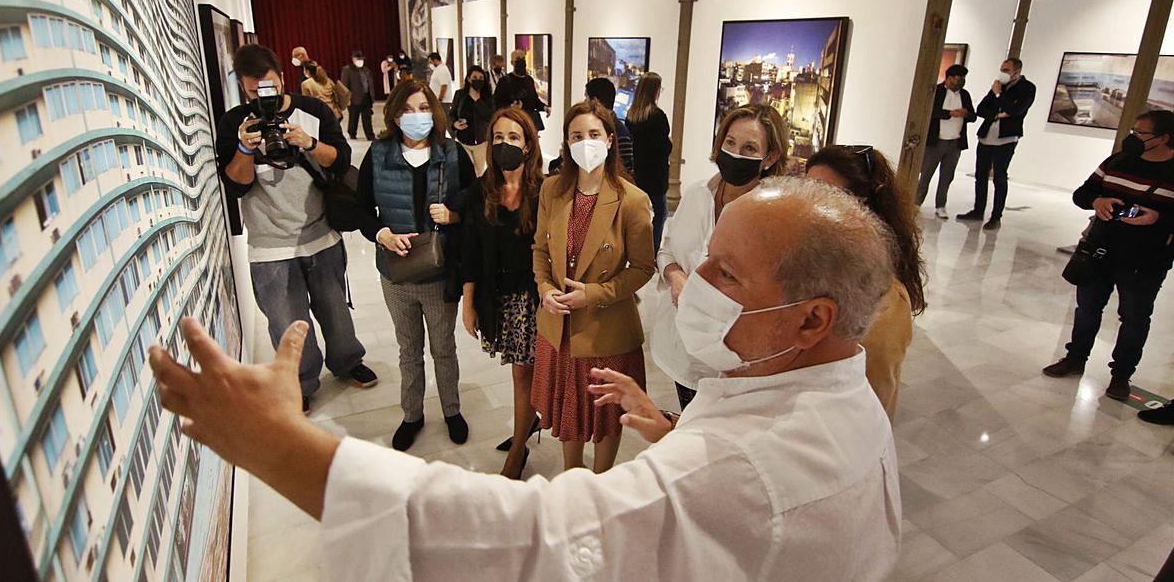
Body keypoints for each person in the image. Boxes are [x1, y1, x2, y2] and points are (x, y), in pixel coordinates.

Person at [149, 177, 902, 581]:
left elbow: (539, 537)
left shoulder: (746, 468)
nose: (689, 280)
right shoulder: (843, 392)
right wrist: (674, 429)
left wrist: (276, 442)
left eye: (724, 273)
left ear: (811, 319)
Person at [215, 44, 376, 415]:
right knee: (287, 324)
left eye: (268, 88)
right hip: (269, 246)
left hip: (320, 234)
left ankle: (347, 361)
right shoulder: (233, 123)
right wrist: (243, 147)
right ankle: (301, 382)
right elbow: (235, 184)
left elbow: (341, 162)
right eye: (254, 92)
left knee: (336, 311)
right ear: (242, 87)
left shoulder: (314, 111)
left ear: (282, 78)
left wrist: (308, 143)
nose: (262, 98)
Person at [532, 101, 655, 474]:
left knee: (604, 417)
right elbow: (539, 249)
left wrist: (593, 294)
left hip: (607, 332)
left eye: (594, 134)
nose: (585, 142)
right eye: (576, 136)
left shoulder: (632, 200)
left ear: (610, 139)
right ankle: (571, 479)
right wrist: (544, 289)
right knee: (566, 411)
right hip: (560, 328)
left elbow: (643, 268)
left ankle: (601, 484)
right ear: (567, 144)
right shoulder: (552, 190)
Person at [652, 104, 789, 410]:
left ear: (770, 157)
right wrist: (675, 276)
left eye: (749, 147)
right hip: (682, 346)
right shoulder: (696, 193)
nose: (736, 153)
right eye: (730, 143)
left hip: (731, 360)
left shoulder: (774, 217)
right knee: (688, 414)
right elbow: (668, 248)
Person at [356, 79, 467, 451]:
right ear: (394, 114)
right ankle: (412, 414)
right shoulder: (378, 153)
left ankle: (452, 410)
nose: (416, 116)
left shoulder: (452, 153)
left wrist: (453, 215)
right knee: (408, 349)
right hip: (397, 272)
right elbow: (361, 209)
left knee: (444, 347)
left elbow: (475, 205)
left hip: (439, 271)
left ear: (435, 112)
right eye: (407, 109)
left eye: (423, 108)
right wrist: (380, 233)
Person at [1042, 110, 1174, 401]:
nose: (1133, 137)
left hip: (1145, 260)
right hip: (1101, 250)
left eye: (1141, 133)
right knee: (1087, 308)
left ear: (1163, 138)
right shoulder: (1117, 161)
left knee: (1135, 318)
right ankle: (1075, 358)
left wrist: (1158, 219)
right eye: (1133, 130)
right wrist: (1097, 200)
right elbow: (1081, 194)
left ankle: (1121, 375)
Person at [806, 145, 926, 420]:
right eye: (808, 191)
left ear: (863, 205)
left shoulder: (885, 303)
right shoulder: (820, 259)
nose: (811, 206)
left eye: (827, 195)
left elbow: (871, 403)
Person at [460, 107, 545, 478]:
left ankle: (518, 445)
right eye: (497, 138)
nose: (504, 144)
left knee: (527, 373)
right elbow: (471, 252)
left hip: (537, 298)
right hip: (501, 299)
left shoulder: (546, 191)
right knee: (521, 372)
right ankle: (525, 428)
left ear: (528, 145)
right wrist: (469, 303)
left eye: (513, 137)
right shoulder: (483, 191)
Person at [957, 57, 1036, 230]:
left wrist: (1000, 96)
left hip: (1006, 138)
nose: (1003, 73)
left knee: (999, 176)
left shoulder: (1027, 88)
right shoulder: (998, 85)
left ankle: (996, 216)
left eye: (1006, 70)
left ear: (1017, 71)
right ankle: (978, 210)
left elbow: (1016, 110)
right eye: (1002, 69)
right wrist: (999, 112)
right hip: (987, 136)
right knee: (981, 175)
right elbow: (981, 109)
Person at [917, 64, 976, 219]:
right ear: (949, 78)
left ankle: (941, 205)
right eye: (958, 79)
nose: (960, 82)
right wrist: (949, 113)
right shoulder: (936, 92)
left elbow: (973, 115)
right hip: (936, 141)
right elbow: (929, 111)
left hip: (955, 142)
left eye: (963, 79)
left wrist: (965, 113)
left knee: (947, 176)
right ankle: (915, 204)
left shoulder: (965, 95)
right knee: (926, 174)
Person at [626, 72, 672, 252]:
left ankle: (633, 248)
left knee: (636, 214)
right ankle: (651, 251)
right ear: (655, 91)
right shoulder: (658, 116)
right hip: (655, 174)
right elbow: (663, 148)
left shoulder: (631, 115)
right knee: (660, 213)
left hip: (637, 172)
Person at [449, 65, 494, 177]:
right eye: (474, 77)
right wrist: (454, 124)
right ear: (469, 79)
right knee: (466, 172)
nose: (477, 80)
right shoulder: (460, 95)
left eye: (481, 77)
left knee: (479, 173)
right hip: (463, 140)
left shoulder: (488, 97)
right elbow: (452, 114)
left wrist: (477, 100)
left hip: (481, 142)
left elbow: (490, 116)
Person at [493, 49, 550, 134]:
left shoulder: (529, 80)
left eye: (523, 58)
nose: (521, 61)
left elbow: (534, 100)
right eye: (518, 59)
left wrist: (544, 107)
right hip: (513, 124)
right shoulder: (504, 81)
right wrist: (511, 107)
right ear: (512, 63)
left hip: (530, 124)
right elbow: (497, 104)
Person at [585, 77, 634, 174]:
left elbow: (624, 172)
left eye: (586, 97)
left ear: (595, 101)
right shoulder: (600, 126)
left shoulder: (620, 133)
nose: (584, 102)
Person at [300, 61, 350, 126]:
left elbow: (307, 103)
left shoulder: (305, 84)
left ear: (307, 71)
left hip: (322, 116)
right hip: (336, 114)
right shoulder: (328, 80)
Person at [340, 50, 376, 140]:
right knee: (353, 118)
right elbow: (344, 85)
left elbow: (370, 84)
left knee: (367, 118)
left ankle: (370, 135)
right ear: (353, 59)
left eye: (361, 59)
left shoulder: (366, 70)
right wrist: (347, 99)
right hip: (354, 98)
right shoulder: (347, 70)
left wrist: (371, 96)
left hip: (366, 97)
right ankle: (352, 133)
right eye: (358, 59)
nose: (360, 61)